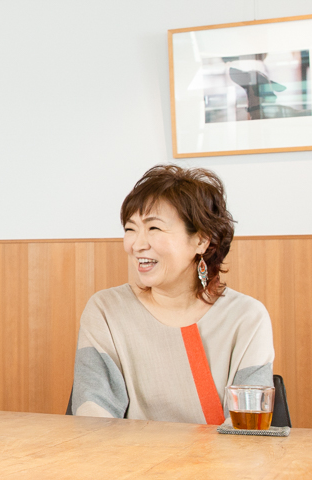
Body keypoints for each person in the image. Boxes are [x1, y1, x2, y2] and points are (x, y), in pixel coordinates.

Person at [69, 165, 274, 424]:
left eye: (154, 228)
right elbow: (93, 413)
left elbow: (247, 425)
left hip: (221, 452)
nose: (137, 244)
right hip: (127, 451)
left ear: (201, 240)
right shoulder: (106, 310)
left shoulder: (246, 317)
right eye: (130, 229)